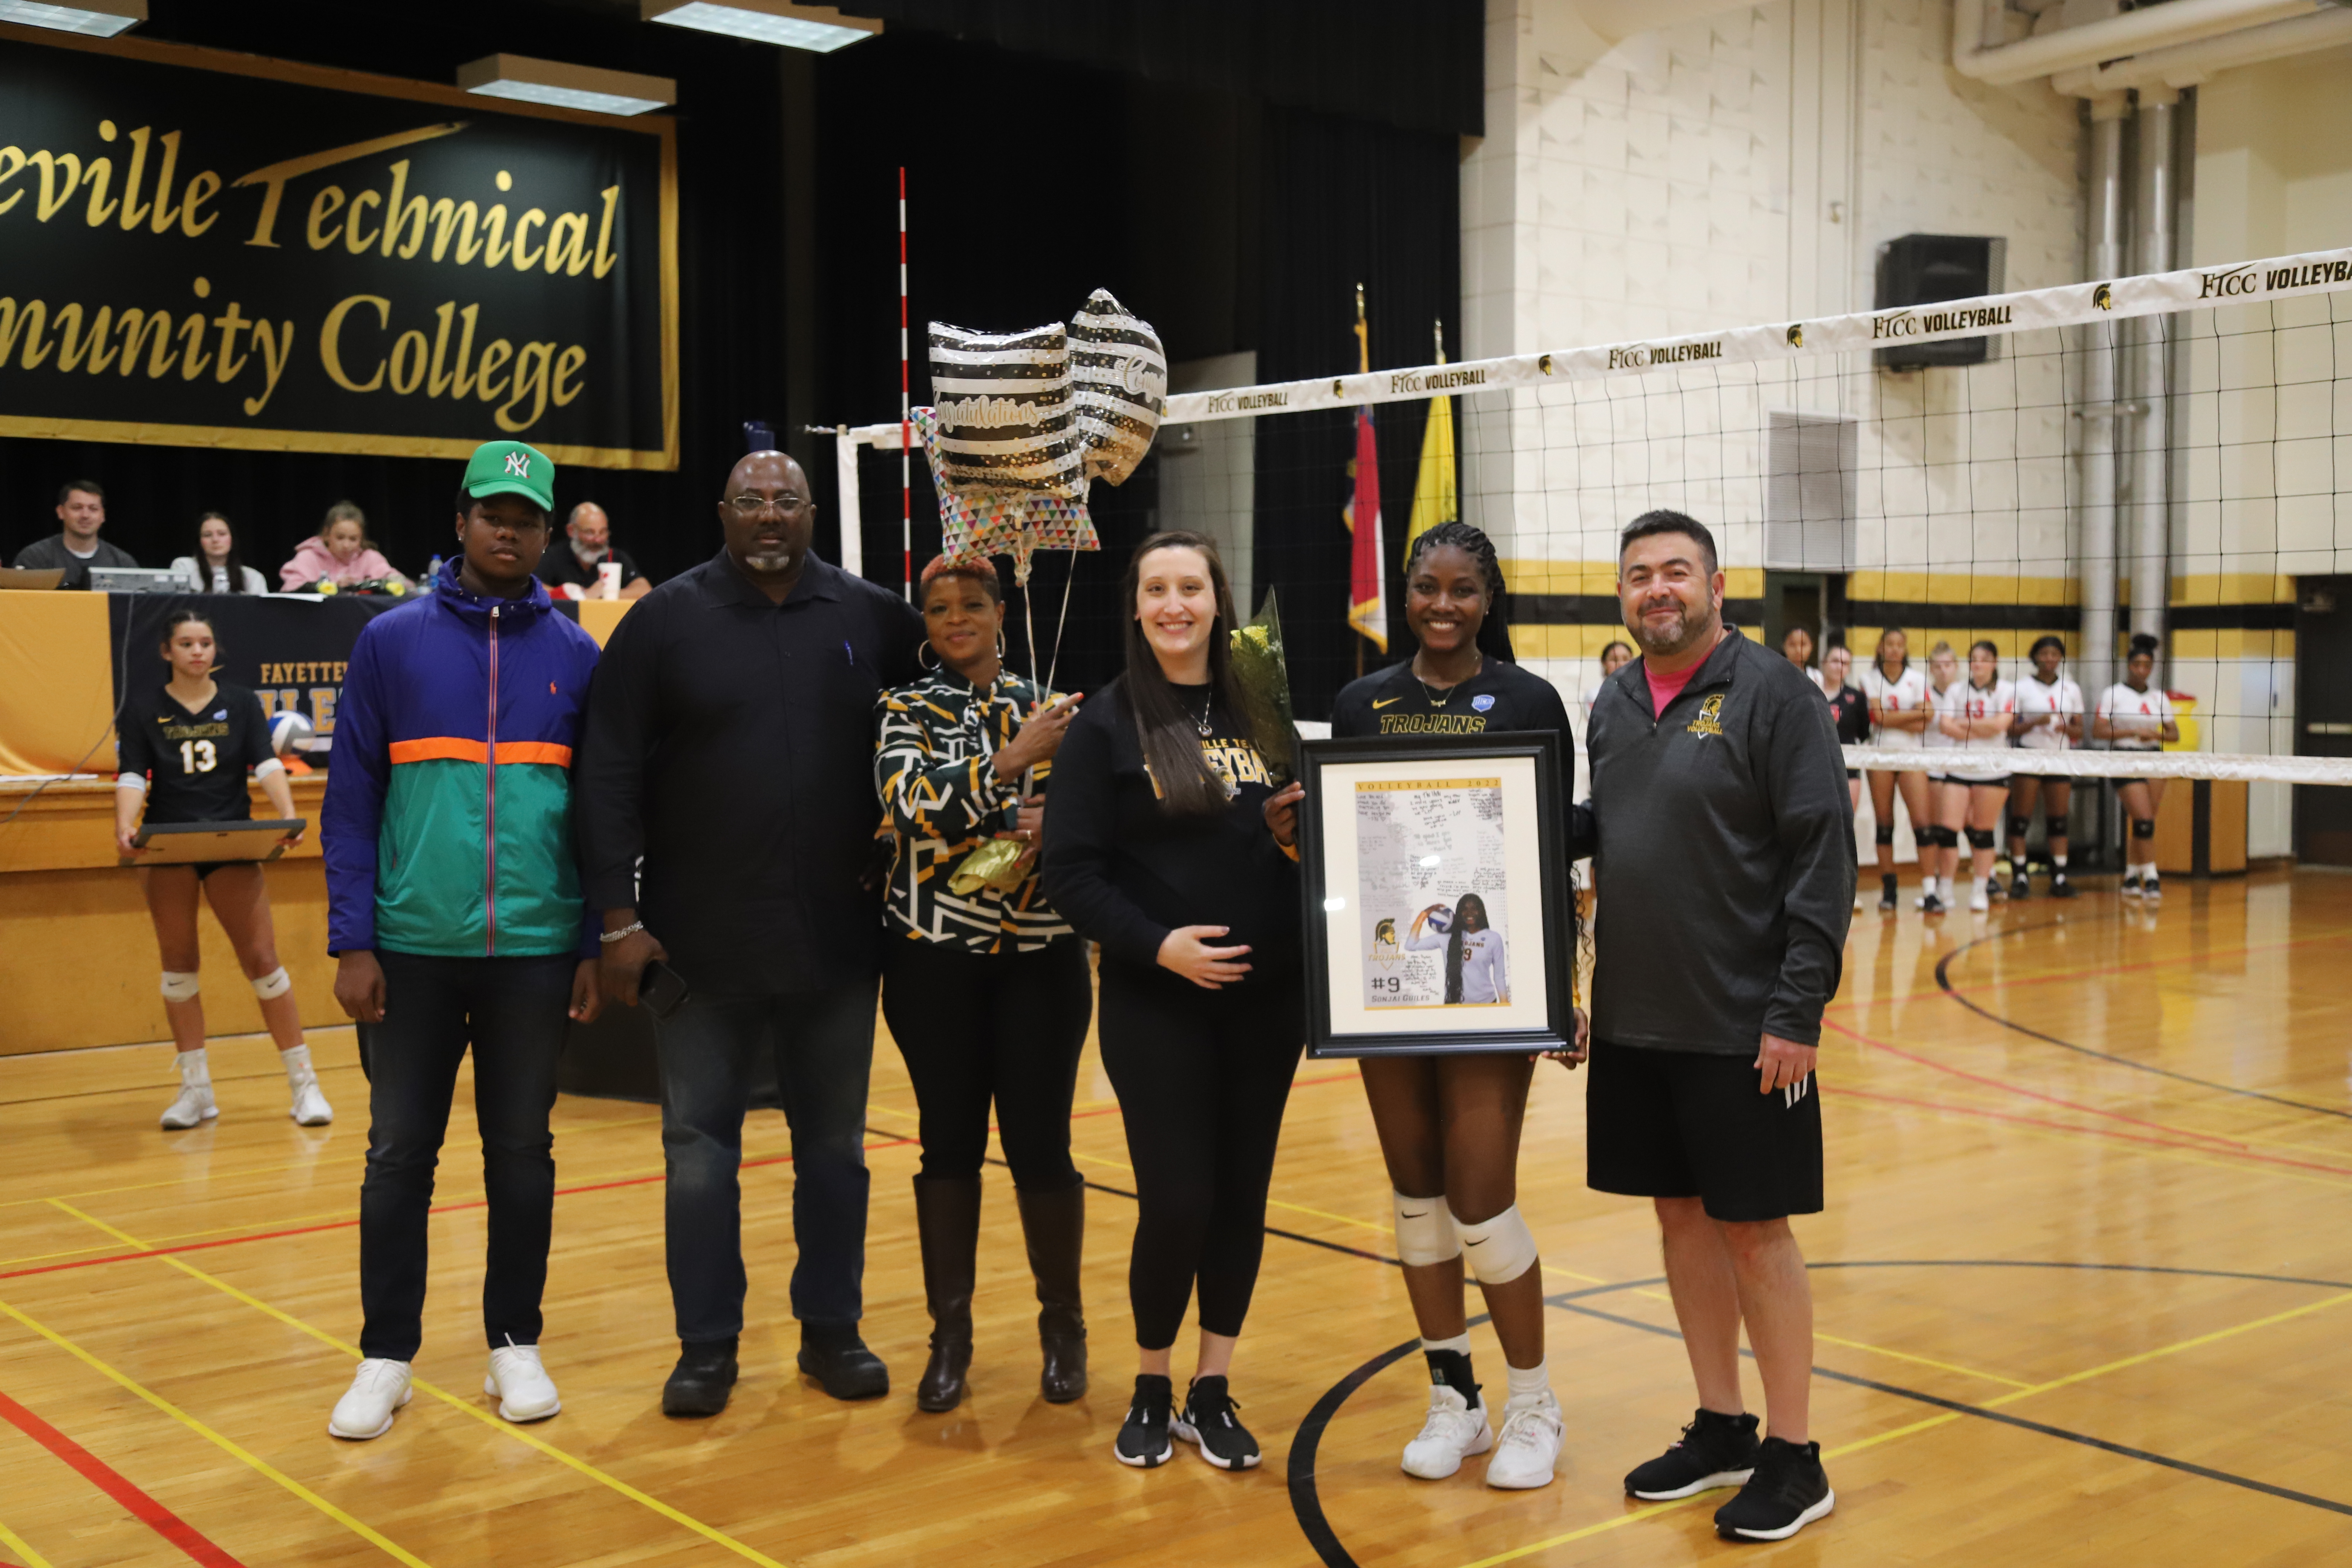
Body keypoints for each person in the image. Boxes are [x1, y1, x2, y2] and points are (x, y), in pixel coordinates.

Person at [577, 450, 923, 1418]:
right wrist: (617, 915)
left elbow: (950, 711)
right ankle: (707, 1346)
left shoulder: (873, 617)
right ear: (721, 513)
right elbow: (604, 773)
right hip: (697, 949)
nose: (768, 516)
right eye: (749, 502)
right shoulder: (663, 623)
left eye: (784, 501)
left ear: (811, 511)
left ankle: (831, 1331)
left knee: (835, 1150)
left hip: (839, 944)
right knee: (698, 1153)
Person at [319, 439, 604, 1442]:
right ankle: (385, 1356)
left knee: (522, 1151)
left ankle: (513, 1345)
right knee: (399, 1154)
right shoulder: (390, 642)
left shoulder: (578, 655)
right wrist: (354, 939)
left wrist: (586, 944)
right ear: (460, 522)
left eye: (527, 518)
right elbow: (350, 802)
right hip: (410, 948)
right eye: (493, 512)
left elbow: (599, 818)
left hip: (533, 949)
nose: (509, 530)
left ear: (548, 532)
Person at [1576, 509, 1851, 1544]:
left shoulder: (1776, 696)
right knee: (1680, 1218)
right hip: (1641, 1020)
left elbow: (1824, 855)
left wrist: (1797, 1010)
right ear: (1623, 594)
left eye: (1676, 572)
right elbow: (1615, 834)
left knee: (1754, 1228)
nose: (1659, 589)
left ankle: (1795, 1454)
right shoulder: (1611, 701)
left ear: (1716, 585)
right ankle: (1724, 1426)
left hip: (1746, 1024)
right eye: (1641, 574)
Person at [1311, 520, 1578, 1490]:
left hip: (1491, 989)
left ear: (1489, 598)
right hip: (1389, 989)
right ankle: (1454, 1399)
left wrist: (1564, 992)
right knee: (1416, 1202)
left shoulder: (1529, 699)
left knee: (1481, 1199)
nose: (1440, 605)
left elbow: (1548, 854)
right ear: (1407, 589)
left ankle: (1535, 1402)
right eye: (1426, 586)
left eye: (1462, 589)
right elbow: (1353, 848)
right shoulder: (1362, 702)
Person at [1038, 530, 1301, 1474]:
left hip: (1268, 1005)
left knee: (1240, 1200)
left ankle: (1212, 1386)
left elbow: (1297, 843)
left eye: (1191, 586)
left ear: (1216, 599)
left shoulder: (1263, 712)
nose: (1174, 605)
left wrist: (1295, 846)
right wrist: (1158, 945)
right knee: (1178, 1199)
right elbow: (1069, 872)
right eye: (1157, 589)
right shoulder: (1107, 723)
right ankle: (1151, 1381)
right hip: (1159, 1004)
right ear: (1137, 604)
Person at [873, 553, 1090, 1413]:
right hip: (933, 961)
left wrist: (1059, 823)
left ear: (1002, 612)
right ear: (922, 622)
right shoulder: (902, 707)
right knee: (947, 1144)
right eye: (937, 607)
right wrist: (1012, 765)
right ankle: (950, 1335)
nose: (954, 617)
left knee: (1042, 1147)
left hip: (1041, 958)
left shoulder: (1058, 707)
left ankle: (1062, 1325)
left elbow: (1098, 824)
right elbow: (905, 807)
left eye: (971, 603)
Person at [113, 608, 327, 1131]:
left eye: (205, 643)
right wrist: (125, 824)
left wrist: (286, 814)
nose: (197, 652)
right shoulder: (143, 708)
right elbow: (132, 775)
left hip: (232, 838)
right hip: (168, 844)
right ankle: (196, 1091)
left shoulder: (239, 703)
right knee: (179, 964)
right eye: (186, 644)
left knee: (262, 959)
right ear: (167, 651)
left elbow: (268, 763)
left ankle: (306, 1086)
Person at [2095, 632, 2179, 901]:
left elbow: (2174, 734)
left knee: (2145, 823)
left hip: (2153, 758)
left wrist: (2153, 735)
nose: (2142, 670)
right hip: (2124, 759)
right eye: (2137, 665)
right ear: (2129, 666)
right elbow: (2098, 730)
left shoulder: (2159, 698)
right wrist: (2130, 731)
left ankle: (2131, 875)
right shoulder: (2113, 694)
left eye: (2147, 665)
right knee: (2143, 820)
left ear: (2152, 667)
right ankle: (2152, 878)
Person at [1932, 641, 2015, 913]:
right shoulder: (1957, 690)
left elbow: (2001, 726)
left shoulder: (2006, 690)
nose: (1978, 663)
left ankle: (1980, 889)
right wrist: (1983, 728)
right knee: (1947, 830)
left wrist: (1965, 724)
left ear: (1994, 663)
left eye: (1984, 659)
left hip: (1993, 768)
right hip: (1959, 766)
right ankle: (1944, 888)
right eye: (1974, 659)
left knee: (1982, 832)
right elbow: (1945, 726)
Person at [1856, 629, 1931, 913]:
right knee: (1885, 825)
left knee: (1923, 825)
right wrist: (1914, 714)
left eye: (1900, 645)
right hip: (1881, 756)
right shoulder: (1870, 678)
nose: (1895, 649)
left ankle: (1930, 890)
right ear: (1880, 648)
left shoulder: (1917, 679)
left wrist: (1891, 718)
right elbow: (1879, 718)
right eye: (1890, 644)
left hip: (1912, 756)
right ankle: (1890, 890)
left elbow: (1928, 719)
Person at [2008, 635, 2082, 899]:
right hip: (2029, 754)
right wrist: (2034, 722)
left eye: (2055, 654)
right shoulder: (2022, 688)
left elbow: (2080, 730)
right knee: (2020, 820)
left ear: (2060, 658)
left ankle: (2059, 877)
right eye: (2045, 654)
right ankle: (2019, 876)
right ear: (2036, 656)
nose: (2050, 659)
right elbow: (2011, 728)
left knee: (2059, 821)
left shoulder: (2071, 689)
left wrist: (2066, 728)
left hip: (2059, 757)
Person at [13, 479, 137, 589]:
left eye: (93, 509)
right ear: (61, 512)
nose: (85, 516)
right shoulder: (35, 559)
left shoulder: (123, 564)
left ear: (103, 516)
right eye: (77, 508)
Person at [1915, 643, 1964, 914]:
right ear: (1931, 669)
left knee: (1953, 830)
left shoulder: (1964, 692)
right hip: (1931, 767)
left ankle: (1948, 886)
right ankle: (1934, 888)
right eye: (1938, 666)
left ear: (1955, 666)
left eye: (1948, 665)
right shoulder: (1925, 694)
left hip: (1960, 767)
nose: (1943, 671)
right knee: (1932, 829)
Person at [1820, 645, 1870, 909]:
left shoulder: (1856, 698)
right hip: (1815, 765)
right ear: (1824, 663)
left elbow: (1864, 731)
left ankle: (1846, 890)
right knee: (1815, 826)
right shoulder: (1809, 692)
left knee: (1843, 827)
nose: (1840, 667)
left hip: (1848, 767)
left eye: (1846, 663)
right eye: (1835, 661)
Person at [537, 501, 651, 600]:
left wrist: (605, 595)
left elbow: (645, 591)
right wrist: (582, 595)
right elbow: (534, 589)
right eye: (590, 532)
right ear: (571, 531)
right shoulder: (554, 556)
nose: (598, 540)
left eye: (603, 532)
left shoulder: (616, 557)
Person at [281, 502, 404, 591]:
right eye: (340, 538)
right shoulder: (307, 558)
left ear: (361, 539)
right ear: (326, 535)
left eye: (353, 539)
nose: (346, 545)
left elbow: (401, 584)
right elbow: (291, 589)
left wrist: (366, 585)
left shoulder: (370, 558)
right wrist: (333, 587)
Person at [170, 512, 269, 594]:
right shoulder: (184, 567)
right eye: (208, 535)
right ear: (199, 542)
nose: (215, 540)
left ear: (232, 539)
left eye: (222, 534)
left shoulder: (253, 577)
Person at [1582, 640, 1633, 721]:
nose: (1620, 664)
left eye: (1625, 659)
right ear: (1604, 663)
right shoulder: (1594, 696)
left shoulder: (1642, 694)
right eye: (1614, 660)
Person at [1780, 625, 1818, 691]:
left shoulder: (1817, 676)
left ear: (1812, 646)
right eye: (1792, 644)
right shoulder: (1777, 676)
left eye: (1803, 644)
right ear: (1784, 646)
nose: (1798, 650)